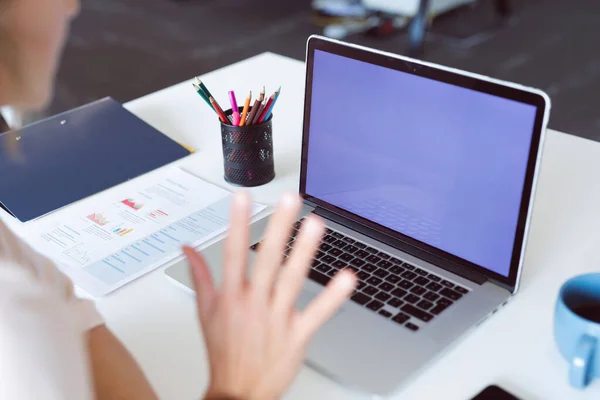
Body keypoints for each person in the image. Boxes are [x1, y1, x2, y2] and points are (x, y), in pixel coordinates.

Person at [0, 0, 357, 399]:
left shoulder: (14, 264)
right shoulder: (13, 313)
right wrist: (237, 390)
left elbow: (79, 323)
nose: (70, 5)